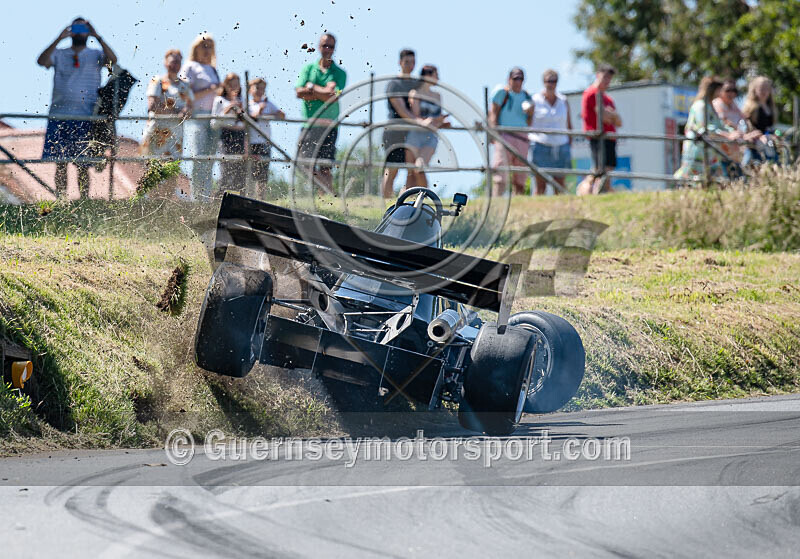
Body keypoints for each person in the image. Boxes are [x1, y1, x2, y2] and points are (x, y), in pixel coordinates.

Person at [37, 17, 117, 198]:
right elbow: (41, 61)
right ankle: (61, 200)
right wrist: (59, 38)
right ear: (70, 30)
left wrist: (98, 36)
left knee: (83, 163)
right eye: (76, 27)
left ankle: (84, 200)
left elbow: (113, 60)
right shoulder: (59, 53)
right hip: (59, 115)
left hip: (85, 116)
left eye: (83, 28)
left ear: (88, 32)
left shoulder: (95, 54)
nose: (79, 32)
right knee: (60, 162)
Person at [295, 33, 347, 195]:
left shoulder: (340, 73)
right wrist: (323, 92)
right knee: (302, 163)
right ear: (319, 46)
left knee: (325, 166)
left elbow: (332, 97)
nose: (327, 49)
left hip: (328, 125)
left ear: (334, 48)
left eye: (330, 46)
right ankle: (329, 192)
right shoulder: (308, 69)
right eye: (325, 45)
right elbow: (299, 92)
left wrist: (311, 88)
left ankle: (326, 197)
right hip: (309, 124)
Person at [673, 76, 743, 182]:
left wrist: (734, 132)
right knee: (693, 177)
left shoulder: (710, 106)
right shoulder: (700, 106)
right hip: (698, 148)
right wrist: (727, 135)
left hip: (710, 151)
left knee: (712, 179)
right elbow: (705, 128)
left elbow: (719, 125)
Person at [179, 33, 221, 200]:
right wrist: (210, 88)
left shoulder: (212, 69)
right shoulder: (189, 66)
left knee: (210, 160)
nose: (207, 50)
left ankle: (206, 197)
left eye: (210, 46)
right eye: (204, 46)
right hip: (196, 116)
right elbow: (184, 92)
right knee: (198, 157)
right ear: (195, 48)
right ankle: (197, 197)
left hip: (213, 118)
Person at [489, 67, 534, 196]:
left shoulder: (527, 96)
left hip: (522, 136)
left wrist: (530, 114)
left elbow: (529, 123)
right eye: (515, 78)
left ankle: (517, 200)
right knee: (500, 173)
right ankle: (496, 201)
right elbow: (493, 113)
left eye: (521, 78)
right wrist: (494, 133)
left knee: (520, 174)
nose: (518, 81)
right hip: (504, 135)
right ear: (509, 79)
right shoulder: (502, 93)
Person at [577, 64, 621, 195]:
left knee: (606, 169)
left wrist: (611, 115)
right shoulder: (591, 93)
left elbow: (618, 121)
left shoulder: (607, 98)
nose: (607, 81)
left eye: (609, 78)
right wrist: (611, 115)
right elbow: (605, 117)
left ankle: (602, 191)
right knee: (599, 169)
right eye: (605, 77)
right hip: (598, 136)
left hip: (609, 137)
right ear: (598, 75)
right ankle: (584, 190)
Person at [142, 49, 193, 159]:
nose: (175, 65)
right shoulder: (158, 81)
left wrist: (185, 111)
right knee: (153, 166)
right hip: (157, 131)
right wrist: (176, 112)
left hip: (176, 134)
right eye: (173, 62)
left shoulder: (185, 85)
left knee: (172, 170)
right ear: (165, 63)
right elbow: (152, 106)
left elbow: (190, 106)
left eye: (178, 62)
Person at [528, 69, 572, 195]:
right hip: (540, 145)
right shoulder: (535, 100)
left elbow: (569, 125)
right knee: (540, 185)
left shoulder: (563, 100)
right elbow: (528, 123)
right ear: (543, 82)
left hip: (561, 145)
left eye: (554, 81)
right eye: (548, 81)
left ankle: (562, 211)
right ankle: (538, 212)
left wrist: (570, 142)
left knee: (560, 184)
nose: (551, 84)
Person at [381, 49, 418, 197]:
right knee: (392, 169)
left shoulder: (416, 84)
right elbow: (401, 109)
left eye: (413, 62)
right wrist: (419, 122)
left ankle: (404, 201)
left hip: (412, 132)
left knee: (412, 170)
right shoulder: (394, 84)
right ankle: (386, 200)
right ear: (400, 62)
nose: (410, 65)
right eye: (407, 62)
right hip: (395, 130)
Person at [406, 65, 449, 188]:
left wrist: (440, 121)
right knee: (410, 176)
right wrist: (426, 121)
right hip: (415, 134)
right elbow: (414, 116)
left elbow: (438, 117)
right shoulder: (415, 93)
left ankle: (424, 197)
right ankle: (403, 204)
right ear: (427, 76)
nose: (438, 78)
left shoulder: (437, 96)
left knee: (419, 167)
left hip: (430, 136)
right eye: (436, 75)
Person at [247, 78, 284, 193]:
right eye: (258, 88)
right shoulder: (248, 105)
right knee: (251, 170)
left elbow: (282, 115)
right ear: (250, 90)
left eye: (263, 88)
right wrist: (260, 110)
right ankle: (250, 194)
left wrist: (274, 113)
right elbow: (251, 118)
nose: (260, 91)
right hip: (252, 142)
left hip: (265, 142)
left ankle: (260, 196)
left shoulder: (268, 104)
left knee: (263, 171)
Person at [211, 73, 246, 191]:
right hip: (226, 136)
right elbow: (214, 122)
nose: (233, 87)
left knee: (240, 170)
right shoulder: (219, 100)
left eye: (236, 85)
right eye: (230, 85)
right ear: (225, 85)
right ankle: (220, 197)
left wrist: (241, 112)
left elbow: (247, 122)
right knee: (226, 167)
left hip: (240, 136)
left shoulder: (242, 101)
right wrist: (229, 108)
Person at [741, 76, 778, 167]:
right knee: (748, 167)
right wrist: (756, 135)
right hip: (754, 144)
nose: (764, 91)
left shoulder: (771, 108)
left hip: (768, 142)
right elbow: (744, 124)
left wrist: (774, 135)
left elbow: (771, 126)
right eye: (761, 88)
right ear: (755, 90)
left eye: (766, 88)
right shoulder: (750, 107)